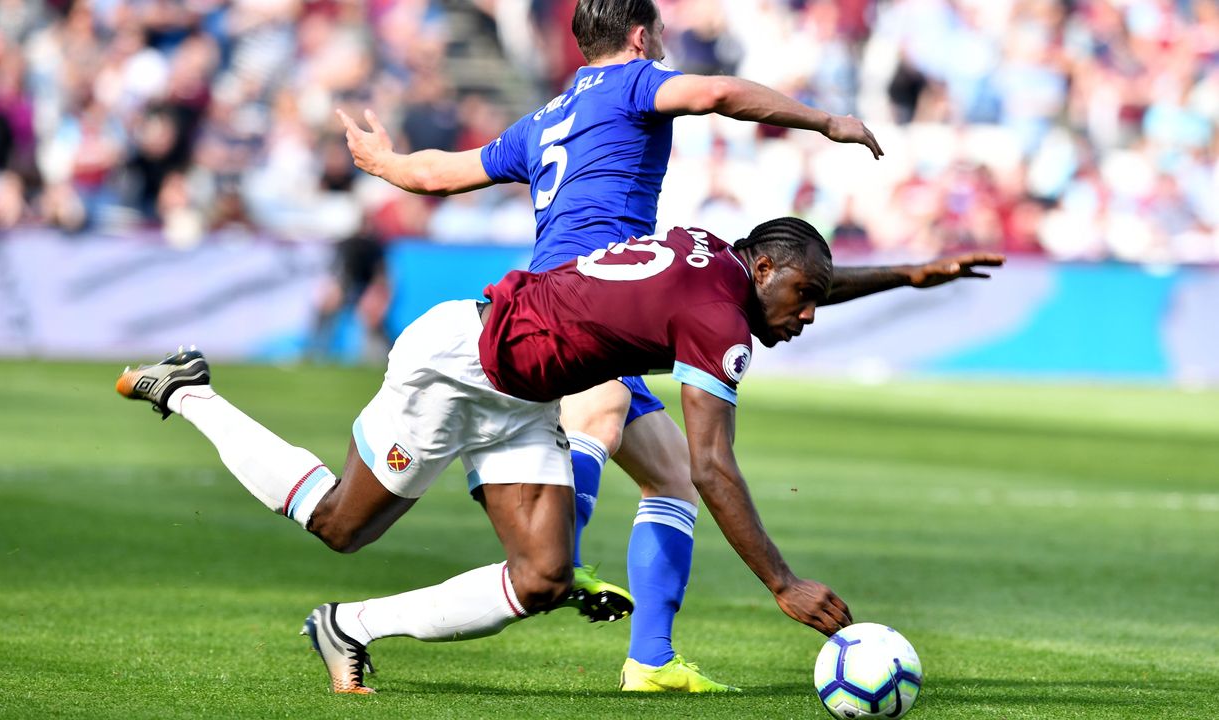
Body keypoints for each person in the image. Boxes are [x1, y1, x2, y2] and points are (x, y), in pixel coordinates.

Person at [336, 0, 998, 692]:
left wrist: (384, 162)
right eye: (661, 39)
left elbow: (442, 173)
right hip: (592, 306)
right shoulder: (634, 82)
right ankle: (566, 555)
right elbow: (713, 92)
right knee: (599, 415)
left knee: (672, 476)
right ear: (640, 35)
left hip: (573, 294)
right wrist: (825, 119)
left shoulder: (545, 119)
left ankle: (650, 658)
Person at [115, 218, 1003, 695]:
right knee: (338, 524)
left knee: (542, 578)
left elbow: (801, 270)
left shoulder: (717, 260)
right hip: (459, 365)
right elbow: (714, 467)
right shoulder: (719, 320)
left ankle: (350, 626)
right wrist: (782, 583)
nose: (809, 316)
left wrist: (907, 274)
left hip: (523, 390)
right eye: (804, 299)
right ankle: (189, 389)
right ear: (763, 269)